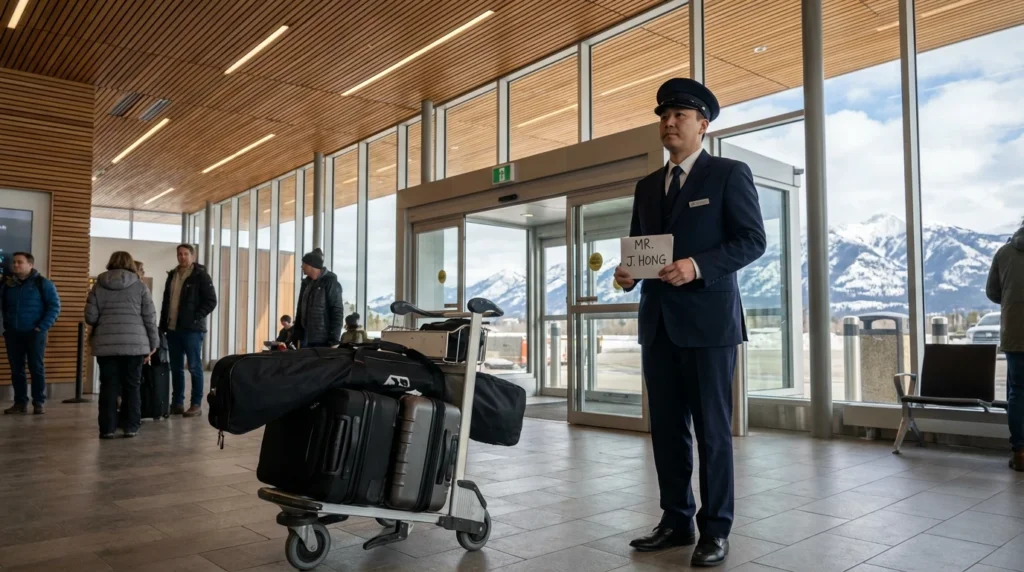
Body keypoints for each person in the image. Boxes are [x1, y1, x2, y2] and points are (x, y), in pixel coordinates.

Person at [613, 78, 766, 567]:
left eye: (679, 115)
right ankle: (676, 520)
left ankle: (715, 528)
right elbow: (642, 247)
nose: (669, 122)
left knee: (712, 432)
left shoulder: (727, 174)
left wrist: (696, 266)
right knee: (668, 430)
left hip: (708, 324)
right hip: (658, 324)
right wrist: (628, 275)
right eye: (664, 116)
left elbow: (751, 240)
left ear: (703, 124)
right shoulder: (646, 186)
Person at [86, 252, 159, 439]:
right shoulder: (140, 286)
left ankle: (107, 429)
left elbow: (90, 317)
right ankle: (131, 427)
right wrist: (154, 343)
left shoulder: (97, 287)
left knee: (108, 386)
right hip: (135, 344)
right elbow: (150, 318)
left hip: (106, 344)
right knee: (132, 387)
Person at [159, 244, 217, 418]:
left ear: (192, 256)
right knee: (176, 368)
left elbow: (211, 301)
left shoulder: (200, 276)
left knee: (194, 367)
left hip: (192, 330)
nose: (182, 257)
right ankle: (177, 403)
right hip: (172, 329)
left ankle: (196, 404)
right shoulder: (172, 275)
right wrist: (163, 325)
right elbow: (166, 302)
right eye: (179, 254)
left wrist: (194, 317)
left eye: (185, 254)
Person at [1, 252, 61, 415]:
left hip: (35, 333)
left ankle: (38, 402)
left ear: (30, 265)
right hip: (13, 333)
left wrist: (41, 328)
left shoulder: (43, 284)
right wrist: (5, 329)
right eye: (14, 262)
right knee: (16, 369)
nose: (15, 265)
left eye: (20, 262)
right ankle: (20, 403)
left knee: (36, 368)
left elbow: (54, 307)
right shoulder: (8, 286)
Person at [986, 217, 1024, 472]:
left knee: (1018, 393)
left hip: (1015, 334)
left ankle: (1020, 452)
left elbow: (992, 292)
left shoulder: (1004, 252)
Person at [291, 248, 344, 348]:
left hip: (322, 340)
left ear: (311, 266)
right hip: (305, 338)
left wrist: (334, 339)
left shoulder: (330, 283)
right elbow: (300, 310)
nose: (302, 266)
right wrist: (296, 333)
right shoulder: (306, 283)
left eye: (304, 264)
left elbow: (337, 311)